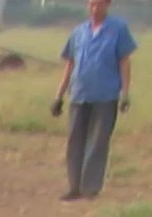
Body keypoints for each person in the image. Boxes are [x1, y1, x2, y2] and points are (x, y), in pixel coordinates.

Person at [51, 0, 136, 201]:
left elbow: (124, 62)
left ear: (108, 5)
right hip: (79, 94)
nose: (95, 9)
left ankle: (90, 188)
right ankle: (74, 186)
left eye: (99, 5)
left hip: (105, 94)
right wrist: (58, 96)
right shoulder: (79, 32)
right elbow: (69, 65)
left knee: (98, 141)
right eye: (91, 5)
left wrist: (125, 94)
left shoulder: (118, 29)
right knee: (75, 140)